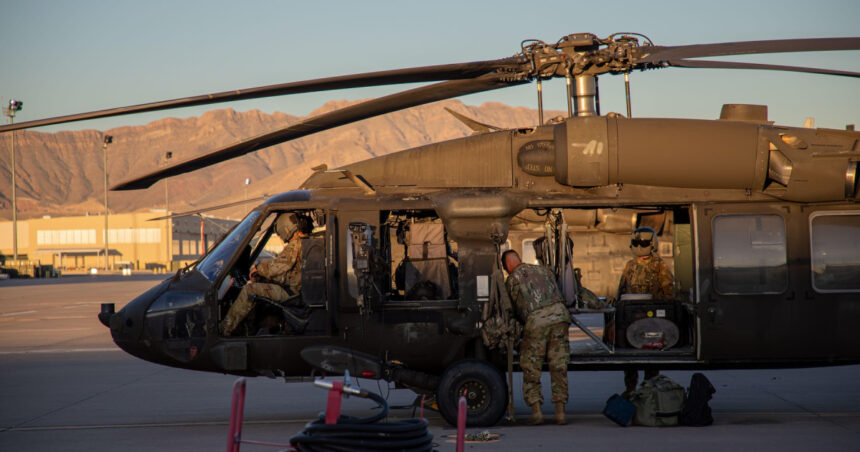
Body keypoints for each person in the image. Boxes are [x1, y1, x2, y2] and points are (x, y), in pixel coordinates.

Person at [503, 249, 571, 425]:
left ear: (509, 265)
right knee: (558, 365)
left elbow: (512, 310)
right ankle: (560, 413)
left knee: (531, 367)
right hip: (560, 317)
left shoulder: (512, 280)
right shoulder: (543, 270)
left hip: (536, 322)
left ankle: (537, 412)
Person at [220, 213, 312, 336]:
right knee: (260, 287)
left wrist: (258, 268)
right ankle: (249, 329)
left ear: (286, 228)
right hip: (296, 289)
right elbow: (290, 273)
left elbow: (278, 267)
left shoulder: (296, 244)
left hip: (291, 293)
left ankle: (225, 329)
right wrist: (266, 277)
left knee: (250, 290)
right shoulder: (307, 243)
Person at [615, 226, 674, 396]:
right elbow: (621, 289)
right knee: (630, 358)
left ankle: (649, 390)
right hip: (631, 317)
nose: (640, 246)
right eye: (636, 242)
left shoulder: (659, 266)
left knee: (651, 356)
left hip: (651, 317)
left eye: (643, 242)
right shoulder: (630, 265)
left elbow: (668, 291)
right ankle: (631, 389)